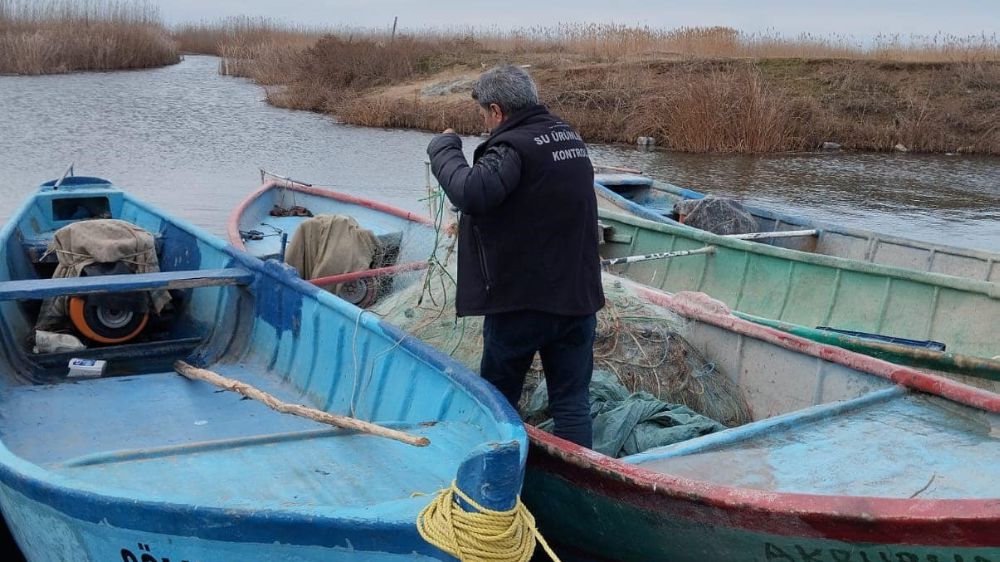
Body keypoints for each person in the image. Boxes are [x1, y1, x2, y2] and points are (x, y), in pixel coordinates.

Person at [426, 65, 604, 448]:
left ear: (497, 111)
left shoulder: (512, 146)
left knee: (498, 401)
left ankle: (498, 478)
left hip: (523, 306)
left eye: (483, 115)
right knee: (572, 403)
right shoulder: (568, 137)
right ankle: (579, 486)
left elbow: (472, 192)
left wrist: (444, 148)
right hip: (578, 301)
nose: (486, 124)